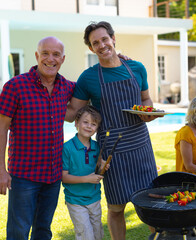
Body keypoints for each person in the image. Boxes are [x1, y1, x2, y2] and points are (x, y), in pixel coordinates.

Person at [65, 21, 158, 240]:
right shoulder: (88, 78)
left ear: (113, 38)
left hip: (140, 144)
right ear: (91, 48)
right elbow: (72, 114)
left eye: (104, 39)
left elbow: (146, 99)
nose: (102, 45)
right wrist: (47, 99)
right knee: (116, 207)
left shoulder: (137, 68)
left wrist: (150, 113)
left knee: (150, 202)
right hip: (111, 150)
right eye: (95, 42)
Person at [0, 36, 75, 240]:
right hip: (24, 177)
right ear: (37, 56)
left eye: (56, 54)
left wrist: (117, 58)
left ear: (63, 59)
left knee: (43, 230)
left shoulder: (66, 87)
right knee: (18, 232)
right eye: (45, 53)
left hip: (53, 176)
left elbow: (93, 84)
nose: (50, 59)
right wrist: (0, 169)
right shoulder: (16, 86)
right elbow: (1, 128)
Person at [62, 105, 109, 240]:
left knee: (98, 234)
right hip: (76, 200)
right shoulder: (67, 148)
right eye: (85, 122)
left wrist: (103, 165)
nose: (89, 126)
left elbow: (98, 166)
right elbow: (63, 177)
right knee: (85, 236)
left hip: (94, 198)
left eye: (93, 124)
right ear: (76, 123)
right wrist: (86, 179)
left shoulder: (97, 146)